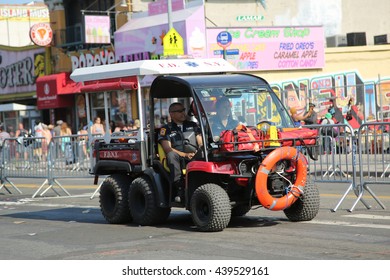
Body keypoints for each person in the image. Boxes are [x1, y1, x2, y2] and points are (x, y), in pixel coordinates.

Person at [158, 102, 202, 203]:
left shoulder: (193, 125)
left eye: (184, 110)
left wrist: (199, 150)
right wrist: (185, 155)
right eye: (179, 111)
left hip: (194, 156)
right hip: (178, 158)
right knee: (171, 154)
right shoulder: (166, 129)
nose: (183, 113)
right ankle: (179, 187)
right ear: (171, 114)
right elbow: (167, 148)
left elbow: (200, 141)